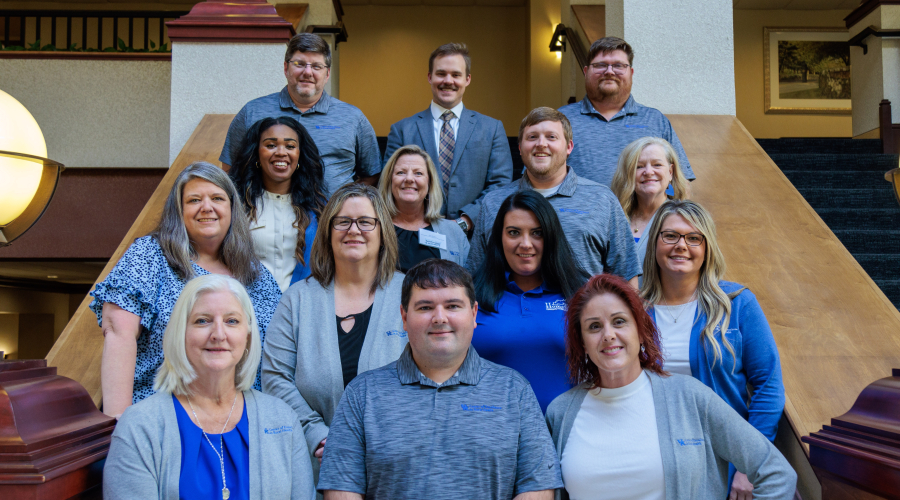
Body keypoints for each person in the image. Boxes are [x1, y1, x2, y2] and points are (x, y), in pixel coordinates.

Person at [318, 259, 563, 500]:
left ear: (474, 313)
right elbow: (341, 488)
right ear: (404, 317)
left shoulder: (514, 390)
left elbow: (538, 486)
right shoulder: (362, 394)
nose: (439, 318)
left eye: (453, 306)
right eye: (425, 307)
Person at [546, 274, 796, 500]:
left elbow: (776, 474)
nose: (608, 334)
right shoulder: (561, 414)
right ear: (582, 343)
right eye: (594, 326)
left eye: (619, 321)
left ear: (641, 330)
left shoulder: (690, 397)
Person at [90, 162, 281, 419]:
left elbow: (277, 353)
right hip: (163, 421)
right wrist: (118, 425)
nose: (207, 207)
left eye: (217, 198)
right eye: (194, 200)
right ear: (178, 210)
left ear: (232, 209)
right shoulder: (150, 256)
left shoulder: (256, 274)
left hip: (241, 422)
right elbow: (118, 334)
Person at [104, 274, 315, 500]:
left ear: (248, 335)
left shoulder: (283, 419)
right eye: (202, 321)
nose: (218, 334)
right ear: (180, 332)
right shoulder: (140, 426)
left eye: (232, 321)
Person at [261, 183, 407, 484]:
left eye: (365, 221)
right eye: (343, 221)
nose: (354, 230)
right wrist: (318, 435)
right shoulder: (297, 299)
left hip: (398, 466)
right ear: (328, 231)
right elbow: (275, 378)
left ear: (383, 232)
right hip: (314, 468)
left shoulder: (411, 295)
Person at [641, 199, 785, 500]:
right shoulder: (634, 310)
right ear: (654, 243)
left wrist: (750, 465)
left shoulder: (737, 304)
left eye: (694, 238)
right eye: (670, 236)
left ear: (706, 249)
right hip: (652, 455)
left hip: (723, 459)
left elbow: (768, 385)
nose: (681, 245)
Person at [466, 107, 640, 285]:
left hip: (581, 311)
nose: (541, 144)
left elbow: (626, 274)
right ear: (520, 148)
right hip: (508, 310)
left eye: (551, 137)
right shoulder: (494, 203)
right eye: (532, 137)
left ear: (569, 147)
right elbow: (475, 274)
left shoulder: (601, 200)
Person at [220, 33, 381, 196]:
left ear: (327, 74)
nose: (308, 72)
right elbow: (230, 169)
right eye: (299, 64)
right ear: (286, 68)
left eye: (317, 66)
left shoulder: (353, 117)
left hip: (333, 218)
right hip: (266, 217)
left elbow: (372, 174)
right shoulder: (252, 112)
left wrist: (343, 203)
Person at [472, 190, 590, 411]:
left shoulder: (580, 293)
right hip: (492, 435)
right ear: (499, 238)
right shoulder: (470, 296)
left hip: (565, 434)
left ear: (551, 237)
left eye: (537, 233)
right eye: (514, 232)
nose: (525, 244)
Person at [383, 43, 513, 236]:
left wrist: (466, 221)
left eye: (456, 75)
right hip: (414, 235)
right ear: (429, 77)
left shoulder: (492, 128)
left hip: (474, 238)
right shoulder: (402, 130)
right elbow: (388, 184)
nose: (448, 80)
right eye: (441, 73)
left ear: (467, 79)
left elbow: (501, 184)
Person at [559, 37, 695, 187]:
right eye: (600, 65)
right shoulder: (561, 120)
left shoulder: (655, 121)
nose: (609, 72)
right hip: (583, 211)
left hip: (643, 211)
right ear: (586, 71)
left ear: (630, 72)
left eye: (618, 65)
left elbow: (680, 182)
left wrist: (661, 205)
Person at [229, 116, 328, 292]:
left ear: (300, 154)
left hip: (301, 309)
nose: (281, 152)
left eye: (290, 146)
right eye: (271, 145)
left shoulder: (319, 209)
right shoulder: (236, 206)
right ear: (256, 153)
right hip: (247, 309)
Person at [378, 145, 469, 272]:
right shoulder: (374, 228)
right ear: (389, 181)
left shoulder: (453, 232)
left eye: (418, 173)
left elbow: (467, 284)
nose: (409, 178)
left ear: (430, 184)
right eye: (401, 172)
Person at [610, 137, 690, 271]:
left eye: (657, 165)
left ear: (670, 172)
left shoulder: (686, 219)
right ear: (628, 174)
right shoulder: (613, 219)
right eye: (639, 166)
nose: (648, 172)